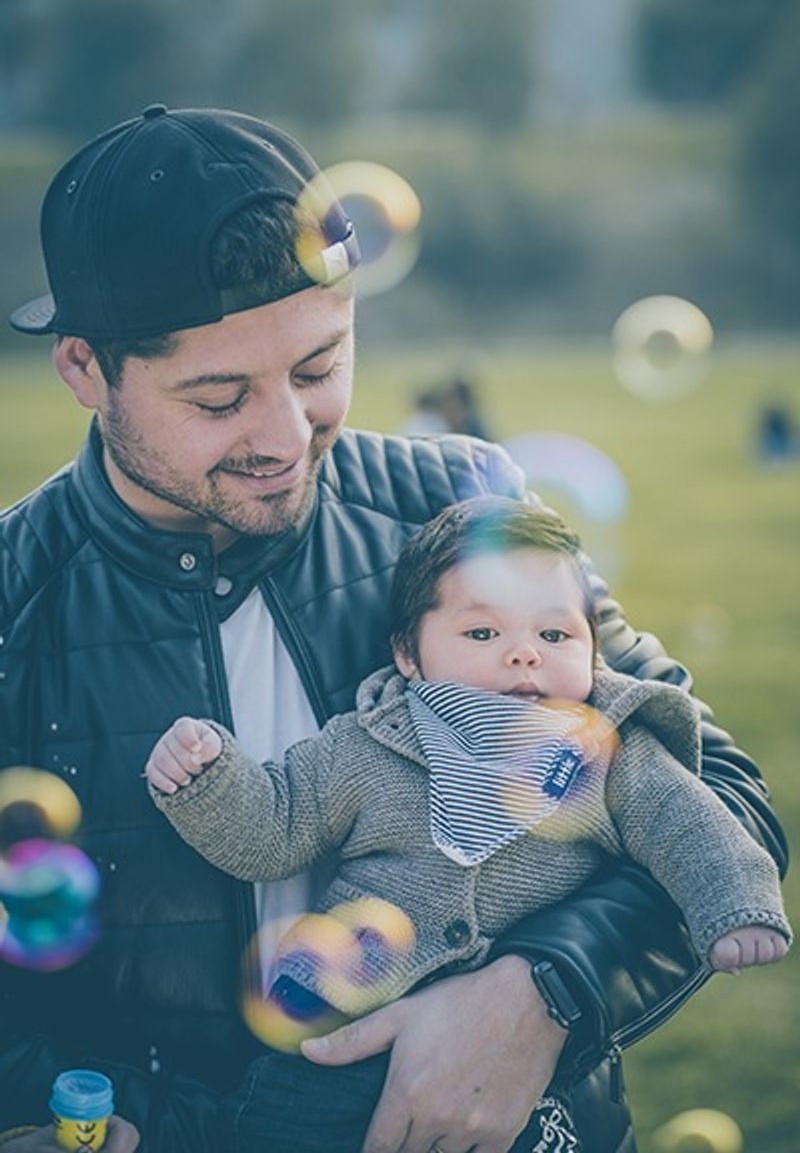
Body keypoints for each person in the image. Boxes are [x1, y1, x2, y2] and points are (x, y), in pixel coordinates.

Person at [0, 104, 788, 1153]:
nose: (285, 438)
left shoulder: (456, 508)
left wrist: (539, 992)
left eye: (318, 369)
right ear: (85, 370)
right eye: (218, 396)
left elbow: (714, 799)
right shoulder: (16, 603)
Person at [145, 500, 790, 1152]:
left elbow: (690, 823)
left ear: (594, 648)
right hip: (339, 1038)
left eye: (555, 636)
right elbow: (273, 830)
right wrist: (208, 777)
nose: (523, 656)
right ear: (408, 654)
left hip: (525, 1065)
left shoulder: (609, 750)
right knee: (277, 1133)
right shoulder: (367, 746)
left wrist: (734, 905)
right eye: (483, 635)